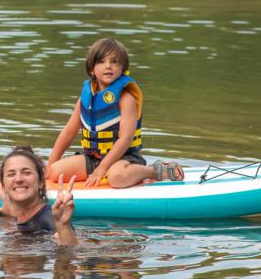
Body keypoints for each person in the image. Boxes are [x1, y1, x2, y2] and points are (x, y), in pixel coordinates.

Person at [46, 38, 183, 188]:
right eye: (101, 61)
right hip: (94, 158)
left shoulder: (126, 99)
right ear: (91, 69)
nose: (108, 66)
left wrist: (102, 169)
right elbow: (68, 133)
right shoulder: (85, 100)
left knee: (117, 178)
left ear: (122, 68)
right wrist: (49, 165)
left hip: (124, 158)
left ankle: (154, 171)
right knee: (55, 172)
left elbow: (126, 138)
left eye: (114, 62)